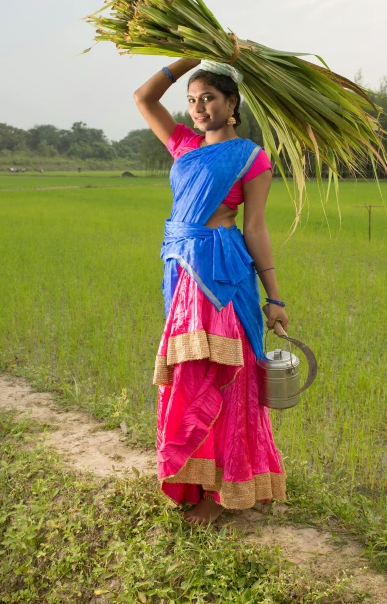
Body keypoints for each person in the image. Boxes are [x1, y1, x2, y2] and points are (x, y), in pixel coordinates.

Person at [134, 58, 289, 525]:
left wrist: (275, 298)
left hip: (223, 275)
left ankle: (223, 490)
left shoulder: (250, 156)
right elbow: (144, 99)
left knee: (226, 376)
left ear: (232, 103)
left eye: (209, 98)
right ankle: (197, 482)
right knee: (188, 372)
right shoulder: (183, 144)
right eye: (193, 99)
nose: (199, 107)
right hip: (180, 269)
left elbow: (256, 228)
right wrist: (189, 55)